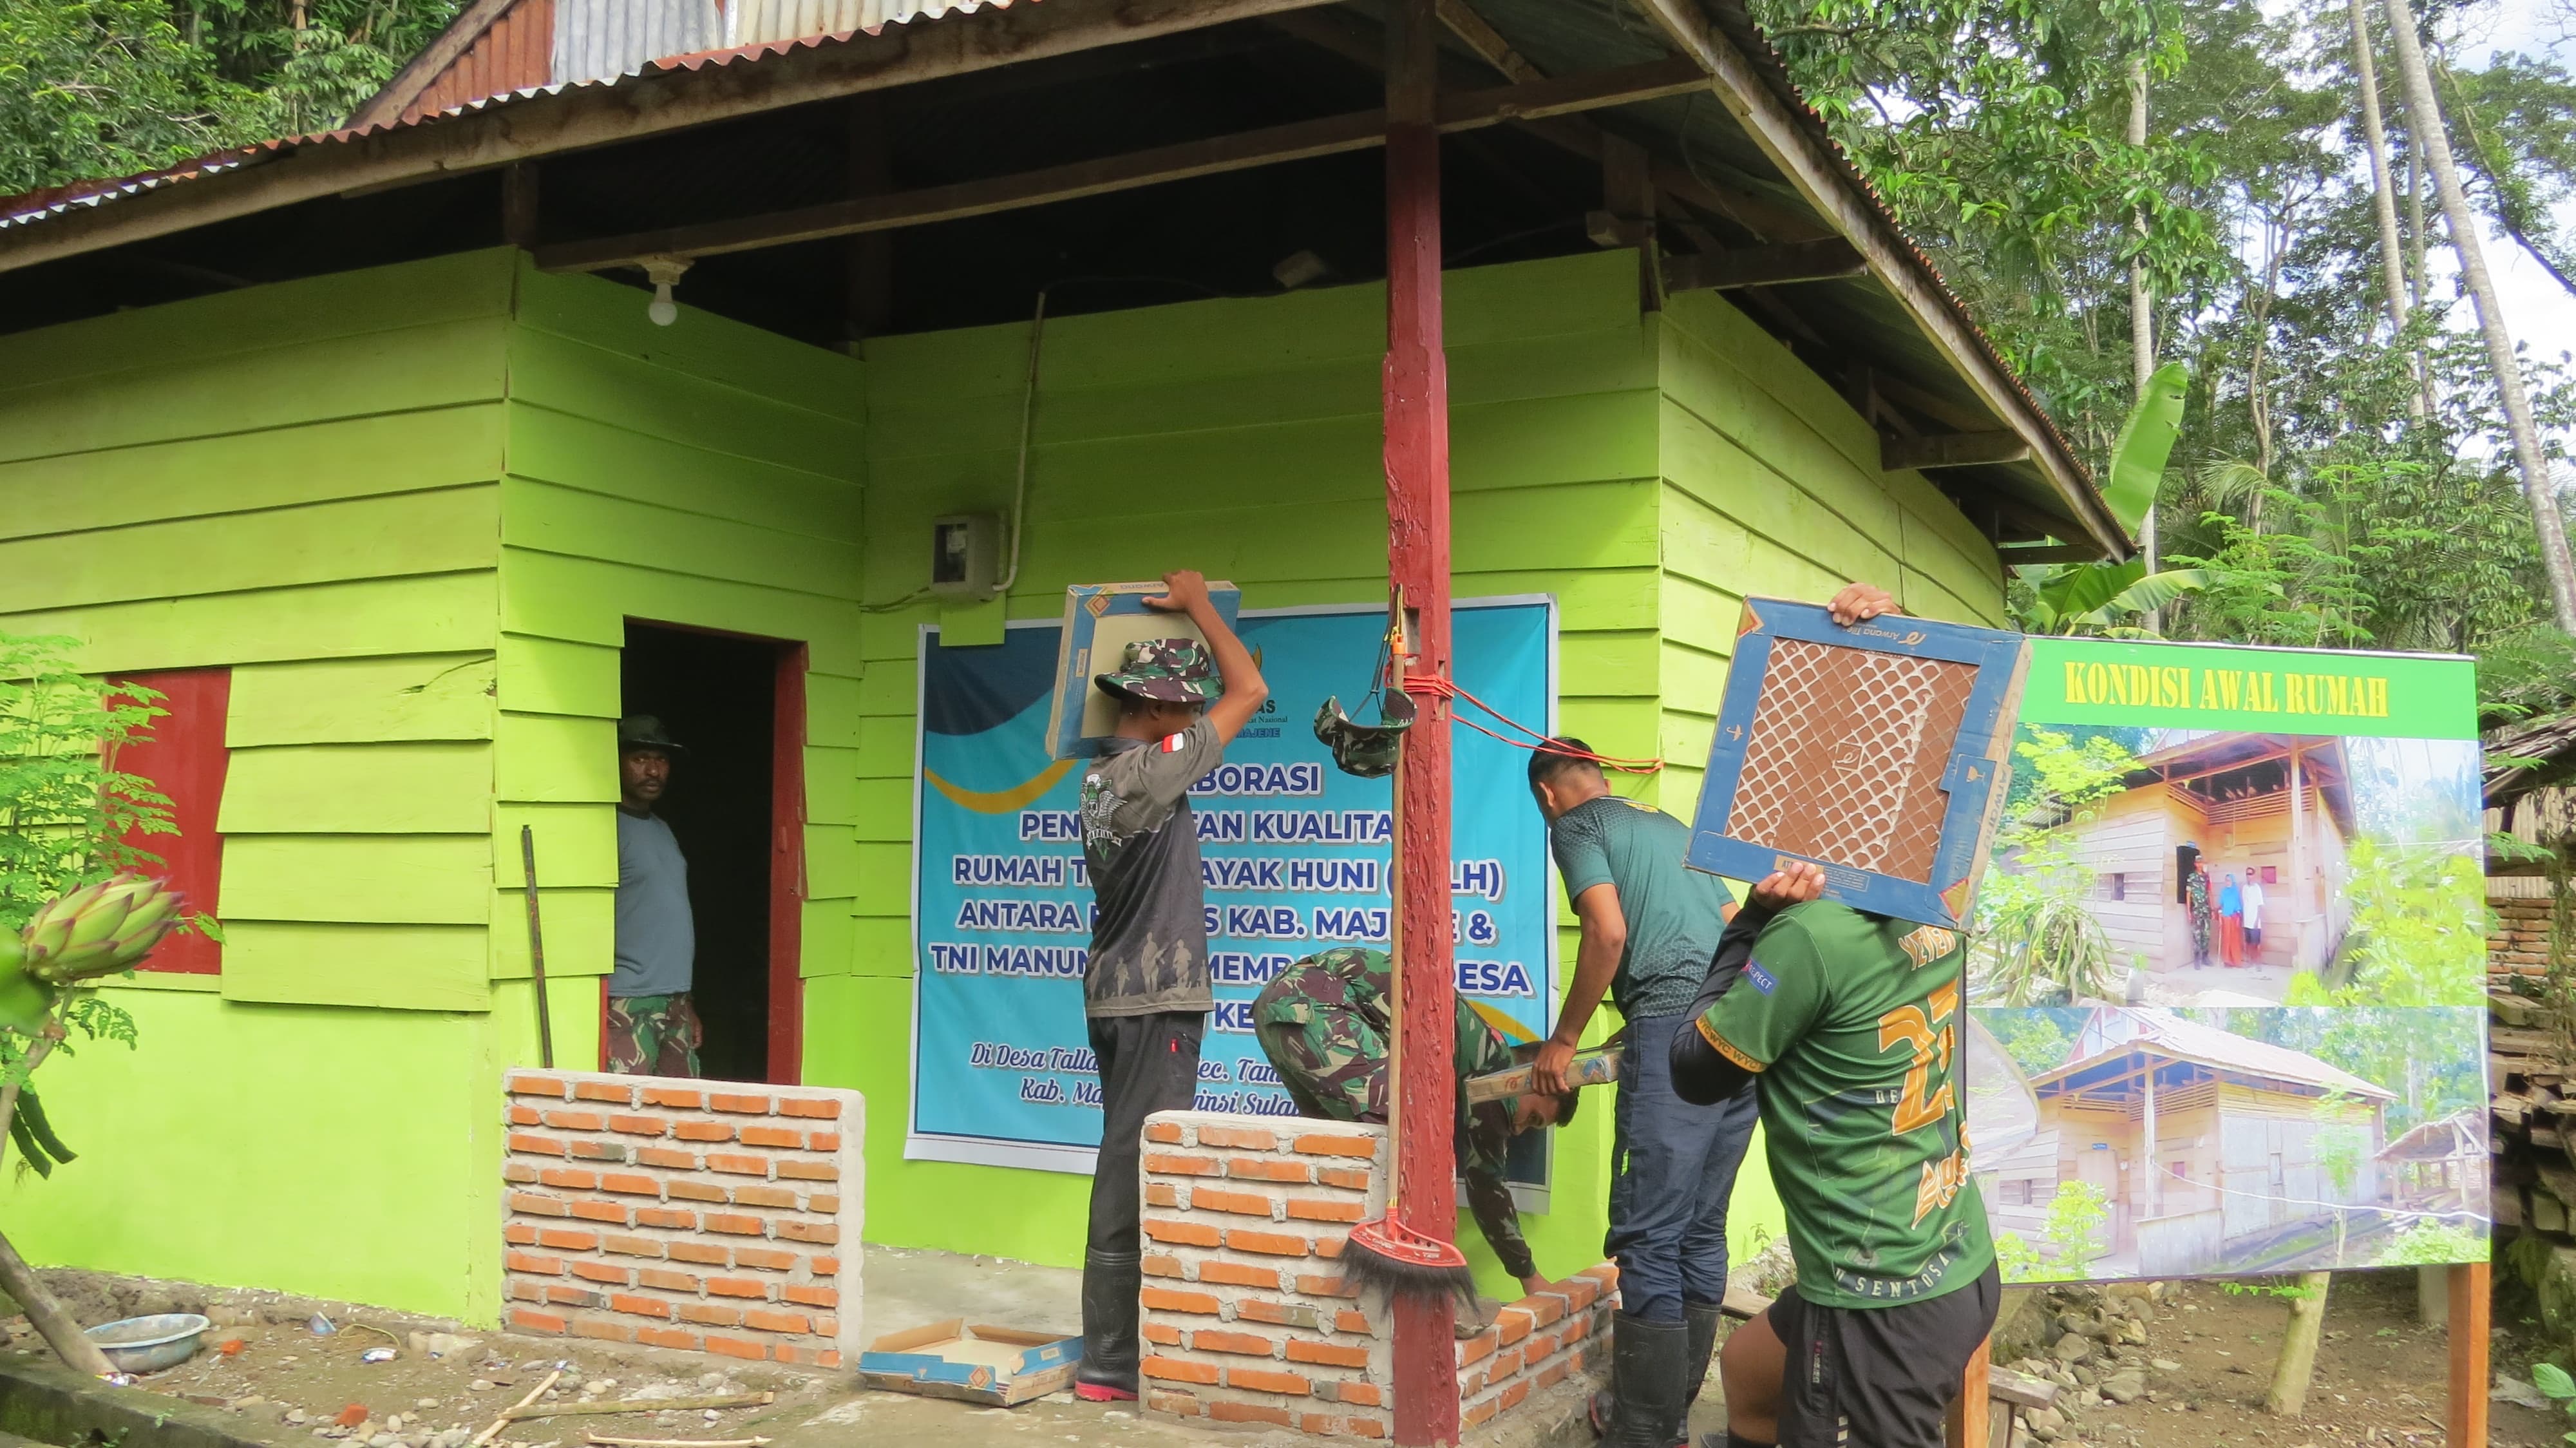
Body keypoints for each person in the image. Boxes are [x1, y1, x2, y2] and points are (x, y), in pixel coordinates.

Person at [1528, 582, 1900, 1448]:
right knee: (1700, 1226)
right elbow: (1725, 927)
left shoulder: (1575, 828)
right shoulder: (1665, 824)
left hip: (1670, 1031)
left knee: (1648, 1236)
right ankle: (1673, 1422)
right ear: (1599, 771)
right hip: (1733, 1033)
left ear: (1553, 791)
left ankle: (1643, 1431)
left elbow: (1610, 933)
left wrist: (1566, 1037)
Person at [1671, 866, 2002, 1448]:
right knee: (1750, 1371)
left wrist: (1750, 920)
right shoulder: (1940, 904)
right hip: (1954, 1251)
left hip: (1879, 1296)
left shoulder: (1811, 935)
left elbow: (1694, 1068)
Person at [1072, 569, 1267, 1404]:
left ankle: (1121, 1352)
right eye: (1183, 708)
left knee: (1127, 1159)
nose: (1195, 719)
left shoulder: (1100, 781)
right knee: (1132, 1172)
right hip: (1156, 1005)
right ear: (1153, 714)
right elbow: (1250, 687)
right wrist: (1197, 607)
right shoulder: (1151, 775)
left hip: (1118, 1000)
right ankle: (1111, 1365)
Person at [1251, 946, 1575, 1300]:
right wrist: (1529, 1278)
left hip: (1279, 1006)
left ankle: (1316, 1277)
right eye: (1532, 1118)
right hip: (1317, 1005)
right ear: (1530, 1075)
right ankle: (1425, 1298)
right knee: (1409, 1135)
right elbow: (1486, 1182)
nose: (1518, 1130)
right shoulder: (1496, 1069)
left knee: (1341, 1147)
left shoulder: (1470, 1054)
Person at [609, 716, 701, 1077]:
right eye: (639, 759)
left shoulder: (662, 829)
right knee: (627, 1110)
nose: (653, 770)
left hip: (674, 999)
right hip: (627, 999)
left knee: (681, 1112)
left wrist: (687, 1002)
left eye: (660, 761)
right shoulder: (606, 827)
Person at [2186, 857, 2215, 969]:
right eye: (2198, 862)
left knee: (2206, 934)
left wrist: (2212, 909)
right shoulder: (2191, 877)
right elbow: (2188, 894)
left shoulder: (2206, 877)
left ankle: (2205, 958)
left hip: (2206, 910)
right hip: (2196, 910)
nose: (2200, 864)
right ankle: (2197, 959)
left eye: (2201, 862)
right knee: (2197, 935)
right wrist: (2189, 911)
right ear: (2195, 864)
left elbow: (2209, 892)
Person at [2217, 871, 2245, 968]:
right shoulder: (2224, 891)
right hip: (2226, 917)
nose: (2227, 882)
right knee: (2226, 939)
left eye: (2229, 880)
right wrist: (2220, 912)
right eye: (2226, 880)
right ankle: (2227, 960)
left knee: (2234, 939)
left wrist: (2238, 914)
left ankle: (2236, 961)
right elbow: (2221, 904)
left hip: (2234, 917)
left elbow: (2238, 904)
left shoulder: (2235, 891)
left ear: (2232, 881)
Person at [2242, 872, 2267, 957]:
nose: (2249, 876)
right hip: (2247, 921)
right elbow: (2244, 903)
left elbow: (2260, 905)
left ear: (2254, 875)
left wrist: (2257, 920)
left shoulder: (2257, 888)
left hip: (2255, 921)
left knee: (2256, 944)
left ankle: (2258, 963)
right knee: (2248, 943)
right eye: (2248, 874)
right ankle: (2250, 962)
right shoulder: (2244, 888)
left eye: (2251, 874)